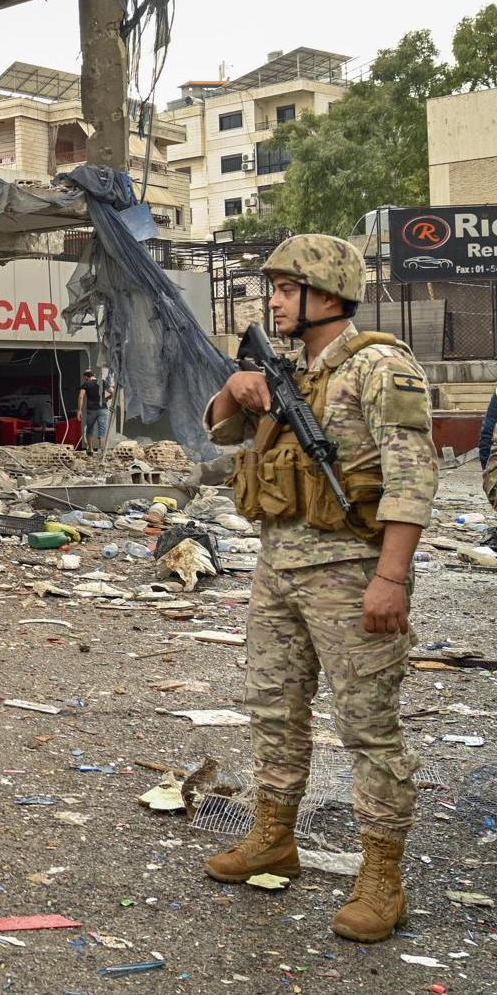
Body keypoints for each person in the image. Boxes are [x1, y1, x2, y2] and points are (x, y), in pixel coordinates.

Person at [201, 234, 436, 943]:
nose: (272, 300)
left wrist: (391, 578)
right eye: (271, 289)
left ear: (327, 295)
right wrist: (234, 388)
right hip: (281, 565)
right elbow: (219, 433)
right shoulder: (285, 374)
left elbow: (413, 476)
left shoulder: (380, 367)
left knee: (368, 727)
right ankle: (273, 835)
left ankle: (382, 880)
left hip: (352, 569)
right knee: (274, 708)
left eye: (284, 288)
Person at [76, 369, 110, 452]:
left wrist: (79, 410)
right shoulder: (102, 382)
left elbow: (81, 397)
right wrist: (107, 398)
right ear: (93, 375)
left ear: (86, 377)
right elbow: (112, 391)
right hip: (103, 409)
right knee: (102, 430)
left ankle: (90, 449)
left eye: (85, 378)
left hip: (91, 410)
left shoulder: (85, 384)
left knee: (90, 429)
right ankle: (102, 450)